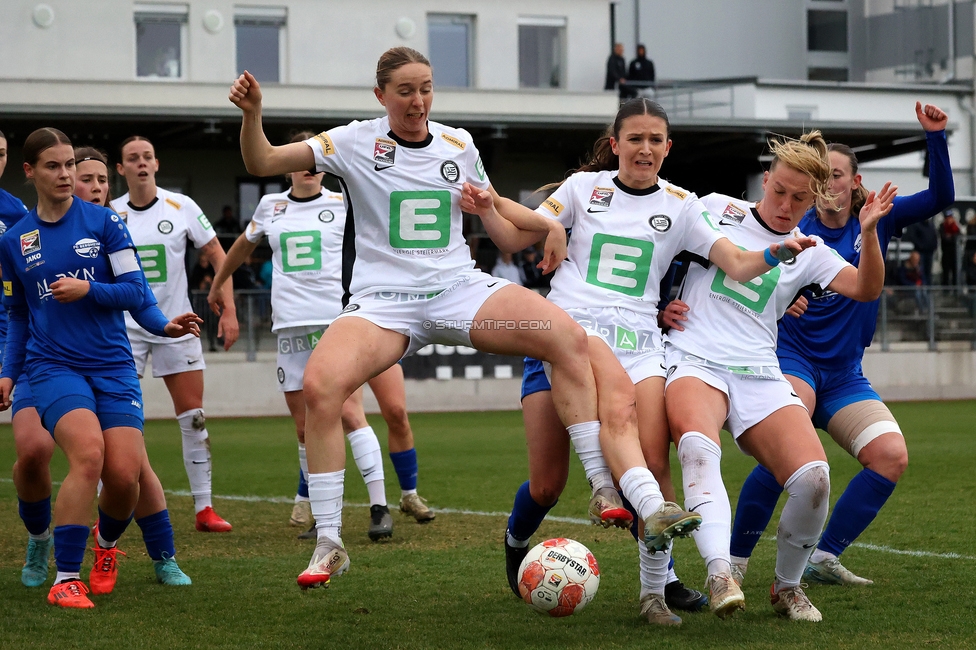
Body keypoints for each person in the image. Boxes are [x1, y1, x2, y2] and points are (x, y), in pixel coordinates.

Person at [230, 47, 605, 591]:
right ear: (381, 96)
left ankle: (602, 486)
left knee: (565, 336)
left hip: (458, 292)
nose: (418, 100)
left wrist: (549, 225)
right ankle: (331, 542)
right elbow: (261, 161)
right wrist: (252, 113)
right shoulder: (353, 141)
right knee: (320, 387)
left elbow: (495, 207)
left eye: (425, 87)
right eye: (405, 90)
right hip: (384, 305)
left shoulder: (459, 144)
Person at [496, 98, 819, 624]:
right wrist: (506, 209)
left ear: (668, 149)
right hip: (566, 339)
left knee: (653, 462)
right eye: (635, 138)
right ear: (616, 143)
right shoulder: (581, 190)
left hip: (640, 346)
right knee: (547, 484)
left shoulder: (684, 204)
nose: (644, 148)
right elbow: (516, 232)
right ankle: (517, 538)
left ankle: (657, 589)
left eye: (655, 140)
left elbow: (735, 264)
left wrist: (776, 255)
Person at [662, 130, 895, 621]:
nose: (786, 205)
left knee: (813, 479)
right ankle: (721, 570)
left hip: (759, 369)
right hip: (695, 358)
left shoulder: (808, 248)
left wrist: (869, 233)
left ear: (815, 199)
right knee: (699, 450)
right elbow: (656, 252)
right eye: (779, 192)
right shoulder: (715, 208)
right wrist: (661, 306)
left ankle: (787, 586)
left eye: (800, 198)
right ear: (764, 180)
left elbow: (866, 288)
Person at [728, 103, 954, 587]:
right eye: (817, 177)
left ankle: (822, 557)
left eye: (833, 175)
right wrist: (780, 300)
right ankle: (735, 561)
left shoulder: (877, 219)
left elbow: (941, 196)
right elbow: (743, 272)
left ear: (854, 182)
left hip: (846, 374)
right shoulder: (793, 227)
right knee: (787, 451)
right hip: (792, 360)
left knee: (891, 456)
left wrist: (935, 137)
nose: (824, 185)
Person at [0, 128, 200, 608]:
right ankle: (65, 577)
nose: (67, 174)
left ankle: (106, 547)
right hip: (52, 366)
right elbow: (19, 314)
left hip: (112, 364)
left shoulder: (106, 223)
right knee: (88, 455)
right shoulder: (14, 239)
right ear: (30, 173)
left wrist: (161, 325)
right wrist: (9, 372)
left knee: (126, 476)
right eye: (54, 166)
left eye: (70, 164)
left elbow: (136, 292)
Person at [208, 133, 436, 541]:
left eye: (314, 161)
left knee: (350, 414)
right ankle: (320, 513)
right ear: (288, 164)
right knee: (304, 427)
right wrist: (220, 286)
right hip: (289, 326)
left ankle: (380, 507)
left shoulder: (343, 201)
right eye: (299, 160)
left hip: (336, 322)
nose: (307, 168)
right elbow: (242, 246)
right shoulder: (270, 206)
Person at [110, 136, 238, 533]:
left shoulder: (181, 206)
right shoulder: (109, 213)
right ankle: (110, 511)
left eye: (147, 157)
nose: (141, 164)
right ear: (121, 169)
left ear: (157, 163)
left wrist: (228, 307)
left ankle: (204, 509)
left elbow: (218, 253)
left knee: (193, 417)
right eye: (133, 159)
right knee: (112, 420)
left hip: (177, 324)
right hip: (124, 328)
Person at [939, 210, 961, 285]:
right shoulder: (942, 226)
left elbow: (957, 238)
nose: (949, 219)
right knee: (946, 272)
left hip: (954, 253)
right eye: (947, 218)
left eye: (950, 217)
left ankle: (955, 288)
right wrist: (950, 237)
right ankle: (945, 290)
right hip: (946, 252)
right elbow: (944, 238)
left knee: (955, 271)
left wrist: (951, 237)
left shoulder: (955, 227)